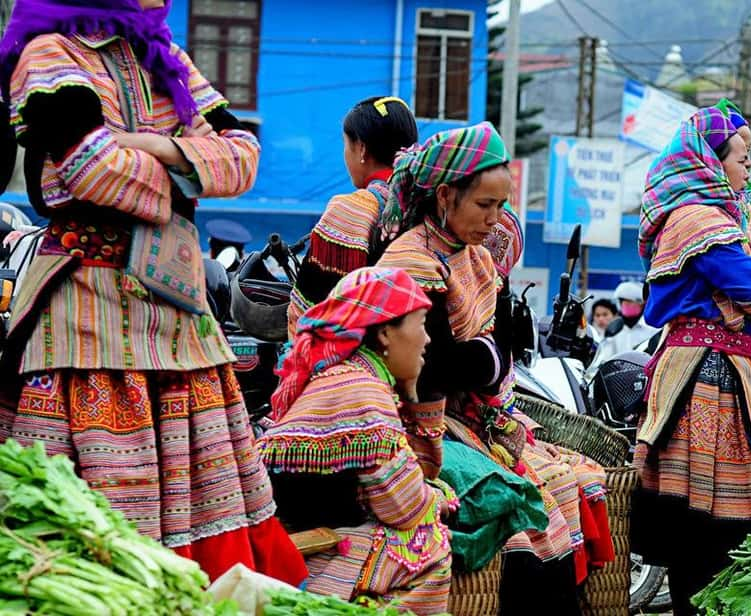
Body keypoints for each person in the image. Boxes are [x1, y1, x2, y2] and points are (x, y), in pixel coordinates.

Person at [0, 0, 305, 585]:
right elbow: (90, 168)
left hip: (179, 313)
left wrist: (147, 147)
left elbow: (244, 156)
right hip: (87, 312)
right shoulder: (47, 54)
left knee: (208, 502)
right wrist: (185, 170)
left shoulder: (164, 57)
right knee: (92, 518)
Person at [376, 122, 610, 615]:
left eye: (502, 206)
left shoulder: (478, 260)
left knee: (565, 486)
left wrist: (484, 358)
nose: (495, 219)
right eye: (485, 205)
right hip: (419, 422)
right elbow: (435, 366)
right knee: (522, 504)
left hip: (475, 417)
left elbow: (496, 350)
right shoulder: (410, 260)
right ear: (445, 195)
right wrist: (486, 358)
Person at [632, 107, 751, 616]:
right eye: (741, 157)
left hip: (744, 377)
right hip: (704, 378)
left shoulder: (742, 216)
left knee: (737, 525)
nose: (749, 167)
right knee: (700, 521)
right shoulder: (693, 219)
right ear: (710, 160)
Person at [259, 267, 453, 615]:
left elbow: (413, 473)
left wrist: (409, 395)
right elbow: (405, 508)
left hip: (320, 525)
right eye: (421, 323)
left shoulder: (352, 378)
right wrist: (438, 499)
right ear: (384, 334)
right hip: (316, 543)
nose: (427, 340)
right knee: (428, 543)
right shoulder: (363, 391)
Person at [287, 96, 418, 338]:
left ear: (362, 149)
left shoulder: (352, 210)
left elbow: (310, 308)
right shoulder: (430, 202)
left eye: (346, 144)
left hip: (365, 361)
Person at [591, 281, 658, 367]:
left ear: (641, 303)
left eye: (629, 302)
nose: (625, 305)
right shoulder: (614, 329)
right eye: (622, 302)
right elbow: (605, 358)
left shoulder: (652, 328)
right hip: (618, 376)